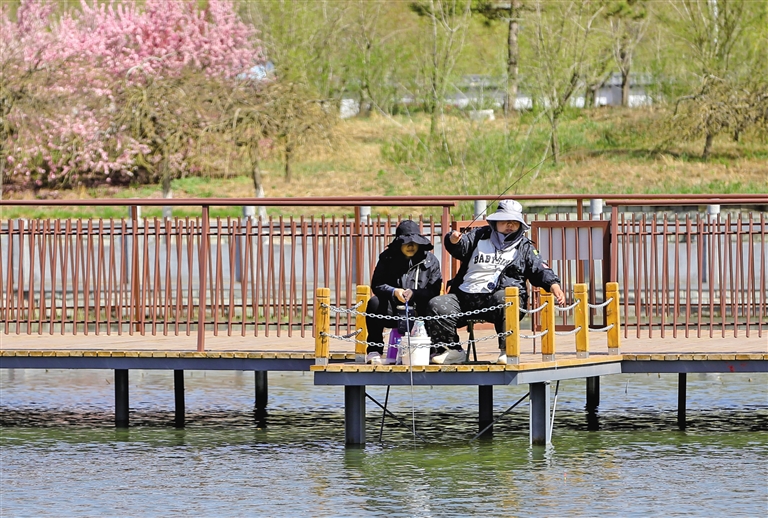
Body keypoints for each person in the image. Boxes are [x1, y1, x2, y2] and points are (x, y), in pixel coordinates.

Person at [426, 199, 566, 365]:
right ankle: (452, 350)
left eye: (514, 222)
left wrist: (553, 285)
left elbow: (539, 269)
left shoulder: (525, 247)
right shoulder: (479, 235)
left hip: (500, 299)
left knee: (505, 298)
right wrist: (453, 239)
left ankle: (508, 350)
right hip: (465, 297)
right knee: (436, 304)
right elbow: (460, 246)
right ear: (495, 222)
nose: (509, 225)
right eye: (504, 221)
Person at [364, 220, 443, 365]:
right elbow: (377, 284)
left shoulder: (431, 260)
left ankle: (434, 350)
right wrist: (394, 292)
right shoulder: (387, 257)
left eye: (414, 242)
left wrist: (415, 293)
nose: (411, 246)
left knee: (435, 304)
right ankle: (374, 350)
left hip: (420, 311)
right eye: (407, 243)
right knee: (374, 303)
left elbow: (434, 290)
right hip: (394, 309)